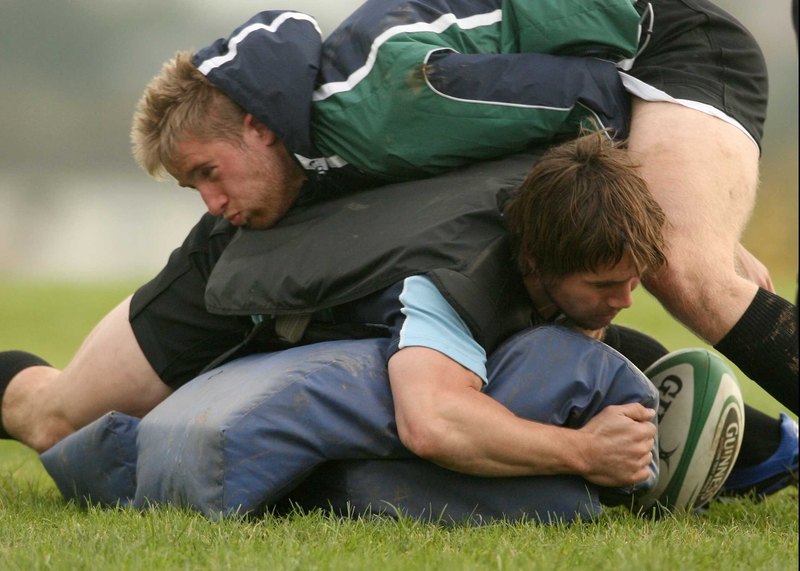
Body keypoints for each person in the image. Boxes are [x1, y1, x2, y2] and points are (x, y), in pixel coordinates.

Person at [136, 1, 798, 414]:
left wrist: (672, 212)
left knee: (685, 270)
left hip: (668, 46)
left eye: (207, 174)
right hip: (627, 84)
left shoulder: (381, 107)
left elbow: (587, 100)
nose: (215, 205)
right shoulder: (316, 140)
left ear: (257, 123)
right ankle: (769, 452)